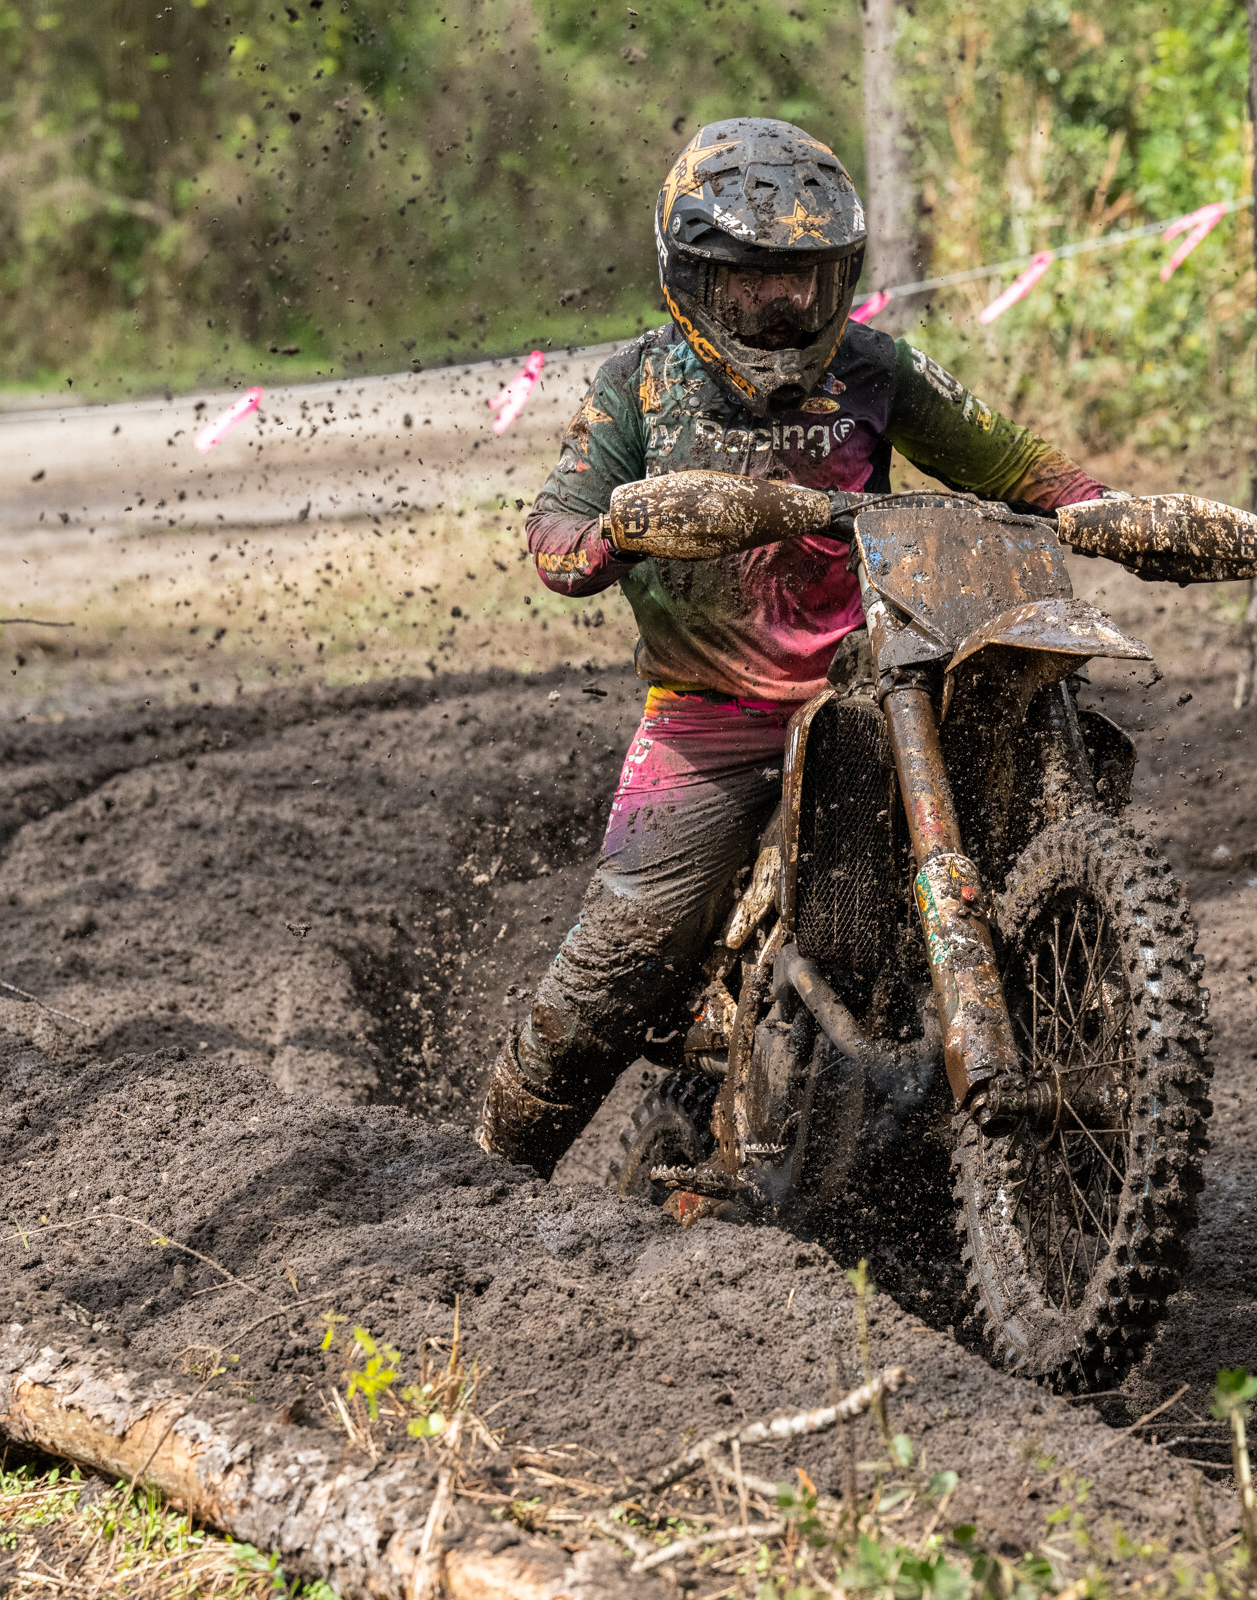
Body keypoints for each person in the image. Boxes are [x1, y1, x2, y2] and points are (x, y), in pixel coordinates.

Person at [474, 116, 1119, 1177]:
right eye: (756, 282)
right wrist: (610, 534)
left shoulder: (875, 368)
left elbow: (1017, 465)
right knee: (628, 945)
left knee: (1025, 811)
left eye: (807, 279)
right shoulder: (638, 385)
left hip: (881, 686)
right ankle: (490, 1167)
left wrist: (1110, 511)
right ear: (695, 277)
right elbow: (554, 529)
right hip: (710, 720)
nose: (784, 303)